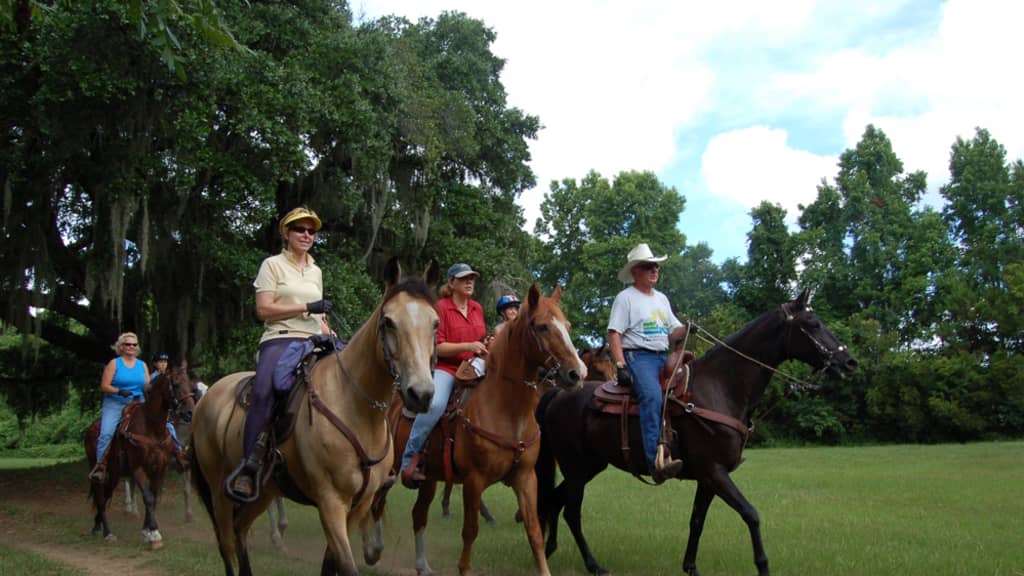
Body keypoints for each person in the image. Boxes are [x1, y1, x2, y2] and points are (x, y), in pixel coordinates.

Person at [226, 206, 333, 501]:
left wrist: (328, 329)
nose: (306, 235)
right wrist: (305, 308)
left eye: (311, 231)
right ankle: (249, 466)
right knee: (265, 390)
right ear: (286, 233)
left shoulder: (316, 270)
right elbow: (263, 310)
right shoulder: (272, 265)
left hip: (315, 339)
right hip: (280, 338)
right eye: (300, 229)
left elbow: (319, 313)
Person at [400, 263, 487, 488]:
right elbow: (436, 347)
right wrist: (468, 345)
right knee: (436, 404)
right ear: (451, 283)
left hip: (476, 366)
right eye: (464, 278)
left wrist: (487, 346)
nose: (469, 282)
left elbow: (482, 338)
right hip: (447, 369)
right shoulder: (440, 308)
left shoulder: (477, 307)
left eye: (472, 279)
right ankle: (410, 458)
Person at [607, 243, 687, 484]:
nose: (655, 270)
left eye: (656, 267)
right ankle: (654, 462)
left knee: (692, 390)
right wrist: (620, 365)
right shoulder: (625, 298)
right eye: (648, 267)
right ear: (635, 272)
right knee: (652, 396)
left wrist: (687, 327)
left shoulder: (662, 299)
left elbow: (672, 332)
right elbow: (614, 333)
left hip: (663, 356)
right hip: (638, 357)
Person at [89, 333, 148, 482]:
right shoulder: (114, 363)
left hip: (138, 402)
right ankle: (100, 466)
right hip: (116, 403)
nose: (131, 347)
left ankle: (173, 455)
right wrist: (119, 391)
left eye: (134, 345)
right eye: (128, 344)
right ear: (121, 347)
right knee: (107, 433)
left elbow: (147, 386)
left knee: (163, 425)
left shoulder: (142, 365)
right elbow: (104, 386)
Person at [148, 352, 188, 470]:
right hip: (154, 411)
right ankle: (178, 453)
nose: (163, 365)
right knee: (169, 428)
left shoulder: (168, 377)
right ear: (155, 364)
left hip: (166, 410)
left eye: (165, 362)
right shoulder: (152, 378)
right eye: (160, 362)